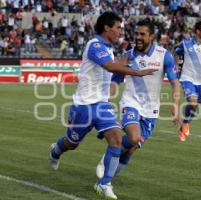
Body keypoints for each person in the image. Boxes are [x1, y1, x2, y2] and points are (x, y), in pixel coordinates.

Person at [48, 12, 157, 200]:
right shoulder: (95, 45)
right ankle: (56, 150)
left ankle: (104, 183)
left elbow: (113, 75)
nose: (120, 31)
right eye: (117, 28)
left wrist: (121, 71)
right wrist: (136, 72)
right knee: (72, 143)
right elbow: (110, 67)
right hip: (83, 105)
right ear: (107, 28)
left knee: (116, 139)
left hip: (102, 105)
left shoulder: (109, 50)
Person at [95, 19, 180, 180]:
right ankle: (108, 160)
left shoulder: (164, 56)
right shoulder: (128, 56)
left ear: (152, 36)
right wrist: (105, 99)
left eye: (142, 34)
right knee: (133, 137)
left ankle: (108, 176)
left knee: (131, 148)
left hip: (151, 109)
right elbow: (116, 81)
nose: (138, 37)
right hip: (131, 103)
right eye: (136, 33)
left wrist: (175, 105)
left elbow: (175, 83)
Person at [174, 20, 201, 142]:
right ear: (198, 31)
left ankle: (186, 123)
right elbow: (176, 52)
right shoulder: (186, 44)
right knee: (192, 102)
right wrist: (176, 65)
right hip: (187, 78)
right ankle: (186, 124)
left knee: (195, 106)